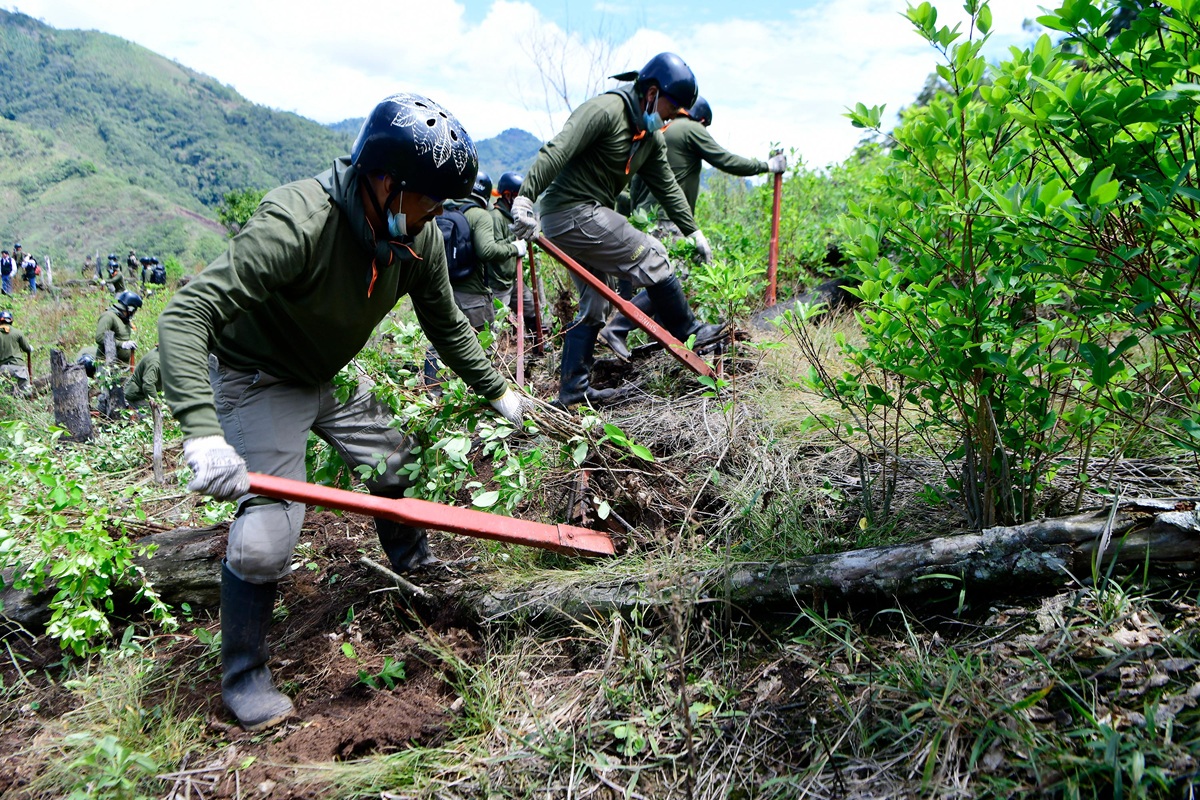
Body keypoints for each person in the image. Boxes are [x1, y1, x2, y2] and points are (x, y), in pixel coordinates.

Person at [157, 92, 527, 732]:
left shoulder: (415, 239)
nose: (437, 213)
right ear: (386, 180)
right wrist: (203, 436)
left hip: (320, 374)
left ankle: (414, 567)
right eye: (429, 198)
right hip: (257, 377)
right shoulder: (298, 222)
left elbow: (447, 327)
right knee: (271, 530)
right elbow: (186, 315)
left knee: (392, 456)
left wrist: (499, 391)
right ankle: (243, 676)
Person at [509, 52, 725, 406]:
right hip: (570, 211)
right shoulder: (606, 111)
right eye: (673, 108)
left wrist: (693, 231)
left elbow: (668, 186)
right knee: (653, 254)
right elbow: (557, 149)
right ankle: (690, 332)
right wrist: (525, 198)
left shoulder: (649, 138)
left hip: (586, 217)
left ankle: (573, 394)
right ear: (652, 92)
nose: (673, 117)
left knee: (595, 303)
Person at [601, 96, 787, 359]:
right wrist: (768, 166)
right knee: (668, 283)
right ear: (701, 119)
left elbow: (634, 189)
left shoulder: (657, 132)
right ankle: (618, 328)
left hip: (642, 222)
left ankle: (670, 347)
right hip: (667, 221)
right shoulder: (691, 129)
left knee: (656, 284)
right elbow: (724, 159)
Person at [489, 172, 542, 336]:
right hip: (498, 283)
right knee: (495, 325)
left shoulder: (512, 217)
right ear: (507, 195)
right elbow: (494, 248)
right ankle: (489, 358)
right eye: (517, 196)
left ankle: (536, 347)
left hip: (512, 280)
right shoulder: (496, 217)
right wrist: (514, 245)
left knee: (531, 309)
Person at [96, 290, 141, 365]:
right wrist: (122, 344)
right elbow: (99, 337)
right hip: (107, 366)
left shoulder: (123, 318)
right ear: (130, 309)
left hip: (121, 366)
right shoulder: (108, 316)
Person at [0, 310, 33, 397]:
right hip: (19, 367)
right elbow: (27, 348)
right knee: (26, 392)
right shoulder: (17, 332)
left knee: (7, 395)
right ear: (11, 320)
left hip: (3, 369)